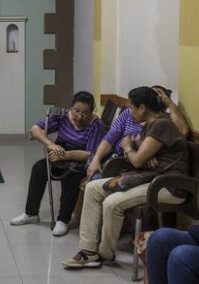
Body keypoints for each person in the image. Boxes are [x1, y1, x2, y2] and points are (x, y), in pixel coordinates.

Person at [63, 86, 189, 268]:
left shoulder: (162, 124)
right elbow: (142, 149)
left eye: (131, 107)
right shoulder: (152, 124)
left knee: (112, 203)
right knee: (92, 188)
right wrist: (140, 148)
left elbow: (137, 160)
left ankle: (105, 255)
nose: (129, 112)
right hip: (151, 178)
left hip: (168, 185)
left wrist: (129, 147)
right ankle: (88, 250)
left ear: (142, 107)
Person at [10, 91, 105, 236]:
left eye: (85, 113)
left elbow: (90, 154)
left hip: (79, 159)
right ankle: (31, 214)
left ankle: (63, 220)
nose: (80, 116)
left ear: (92, 111)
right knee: (39, 168)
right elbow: (35, 129)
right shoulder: (62, 117)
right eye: (77, 111)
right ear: (71, 107)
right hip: (59, 152)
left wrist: (66, 155)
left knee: (72, 176)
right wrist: (51, 145)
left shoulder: (96, 125)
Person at [86, 85, 189, 181]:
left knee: (95, 182)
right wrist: (97, 159)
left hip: (126, 164)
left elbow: (183, 132)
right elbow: (111, 137)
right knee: (90, 173)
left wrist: (170, 103)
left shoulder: (161, 123)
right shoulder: (133, 114)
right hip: (114, 156)